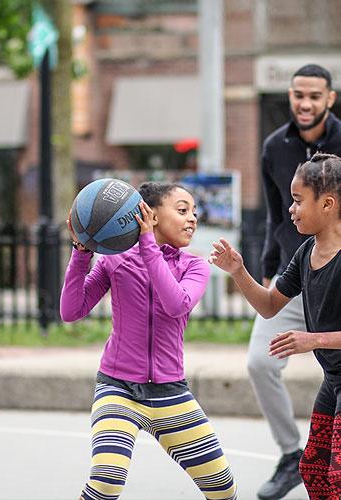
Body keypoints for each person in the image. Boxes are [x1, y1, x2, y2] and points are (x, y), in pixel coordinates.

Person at [61, 182, 237, 500]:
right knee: (105, 483)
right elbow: (72, 311)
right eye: (182, 210)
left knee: (223, 491)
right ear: (149, 215)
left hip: (171, 393)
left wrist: (147, 246)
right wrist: (80, 253)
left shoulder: (194, 266)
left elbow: (176, 304)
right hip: (118, 389)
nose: (193, 218)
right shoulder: (115, 261)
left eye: (194, 212)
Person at [210, 153, 341, 499]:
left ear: (327, 204)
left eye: (298, 201)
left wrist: (313, 339)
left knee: (337, 476)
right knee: (313, 471)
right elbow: (269, 306)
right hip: (335, 381)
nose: (291, 210)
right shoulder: (306, 253)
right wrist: (238, 270)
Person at [248, 63, 341, 500]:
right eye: (297, 95)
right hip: (297, 271)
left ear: (330, 99)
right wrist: (253, 268)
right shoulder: (273, 147)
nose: (305, 104)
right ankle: (290, 454)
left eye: (314, 96)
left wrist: (316, 340)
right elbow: (272, 215)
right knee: (259, 362)